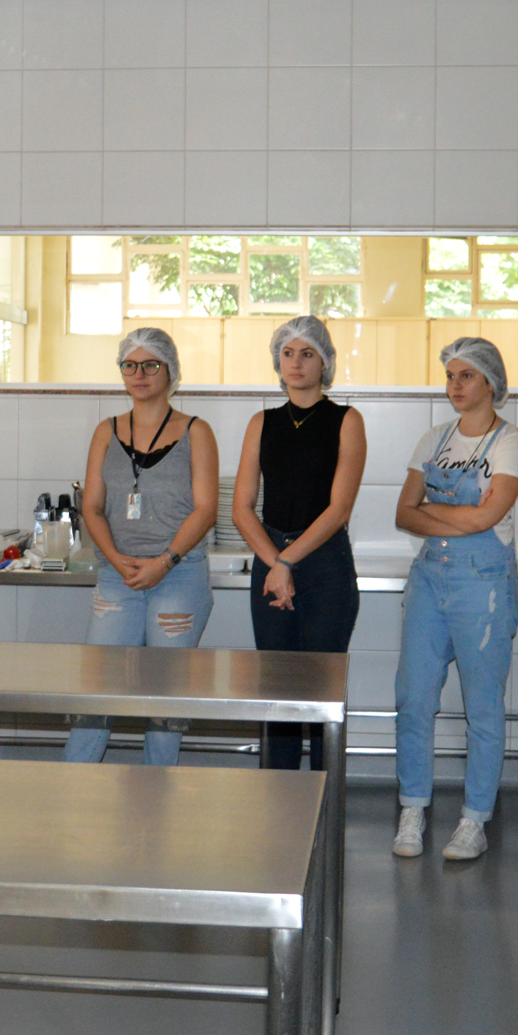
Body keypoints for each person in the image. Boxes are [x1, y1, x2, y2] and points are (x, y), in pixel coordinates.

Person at [389, 337, 518, 861]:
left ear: (491, 382)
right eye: (451, 375)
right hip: (430, 576)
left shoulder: (511, 442)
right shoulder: (434, 437)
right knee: (414, 696)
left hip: (484, 582)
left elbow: (488, 518)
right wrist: (452, 516)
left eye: (466, 376)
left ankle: (474, 819)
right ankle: (412, 807)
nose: (455, 385)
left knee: (483, 706)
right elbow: (403, 514)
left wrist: (433, 510)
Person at [65, 328, 219, 765]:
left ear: (170, 371)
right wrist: (117, 561)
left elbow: (206, 510)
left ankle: (157, 806)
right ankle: (69, 794)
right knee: (96, 695)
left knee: (165, 702)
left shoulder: (196, 432)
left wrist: (164, 562)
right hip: (119, 576)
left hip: (179, 574)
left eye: (151, 364)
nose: (140, 373)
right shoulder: (105, 432)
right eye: (129, 365)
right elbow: (92, 508)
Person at [233, 315, 366, 770]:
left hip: (324, 565)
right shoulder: (261, 422)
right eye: (287, 353)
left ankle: (323, 814)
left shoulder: (346, 420)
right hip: (272, 561)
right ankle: (277, 811)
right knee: (277, 695)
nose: (296, 362)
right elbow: (241, 507)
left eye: (307, 353)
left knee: (320, 697)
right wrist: (276, 562)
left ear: (324, 362)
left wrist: (286, 561)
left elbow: (339, 508)